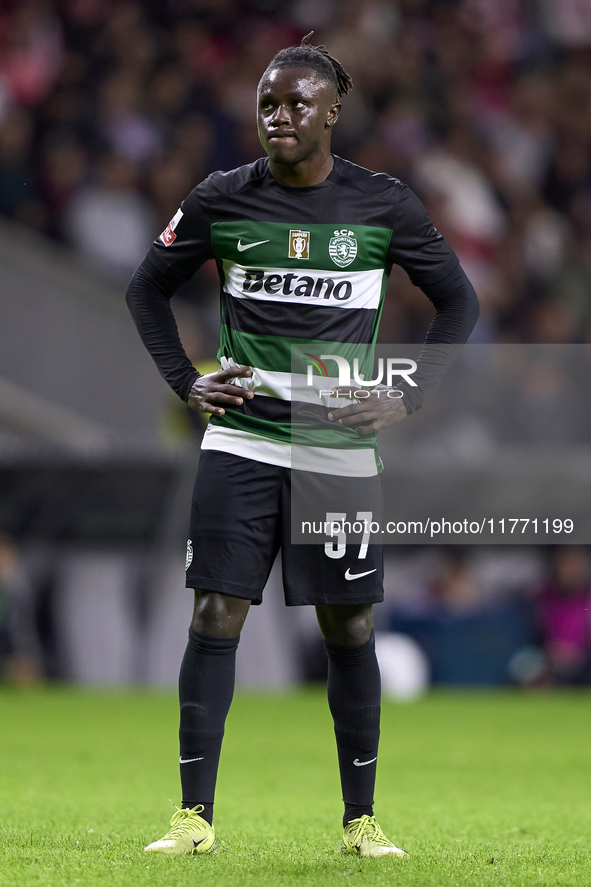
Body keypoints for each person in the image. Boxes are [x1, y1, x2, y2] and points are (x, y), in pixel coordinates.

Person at [126, 35, 479, 858]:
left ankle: (360, 818)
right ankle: (193, 817)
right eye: (266, 105)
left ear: (331, 112)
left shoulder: (382, 205)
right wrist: (187, 381)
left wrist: (407, 392)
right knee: (216, 610)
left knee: (348, 626)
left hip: (334, 450)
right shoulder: (221, 197)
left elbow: (457, 303)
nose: (278, 117)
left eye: (294, 105)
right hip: (243, 439)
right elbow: (146, 287)